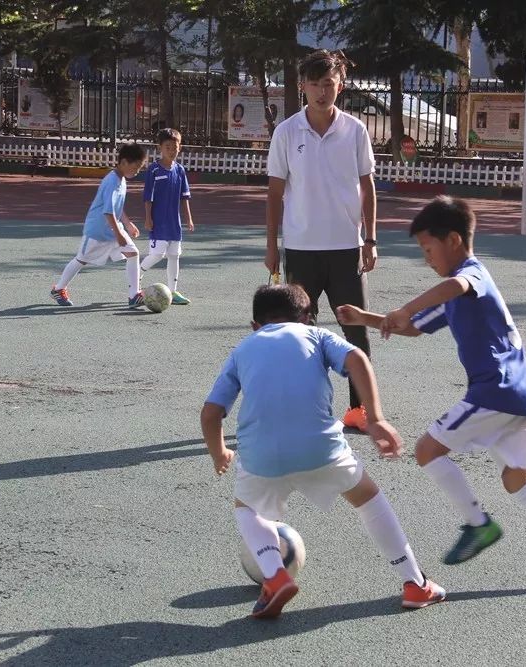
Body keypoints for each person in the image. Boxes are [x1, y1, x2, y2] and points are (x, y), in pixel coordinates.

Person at [336, 196, 526, 582]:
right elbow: (413, 327)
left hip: (493, 391)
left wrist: (405, 307)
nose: (426, 257)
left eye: (428, 248)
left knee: (426, 450)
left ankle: (478, 524)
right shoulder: (456, 296)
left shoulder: (471, 275)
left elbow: (452, 287)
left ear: (454, 241)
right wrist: (368, 318)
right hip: (519, 395)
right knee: (516, 480)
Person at [201, 284, 446, 619]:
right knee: (369, 501)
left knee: (248, 509)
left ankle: (274, 576)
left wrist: (219, 453)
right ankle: (415, 583)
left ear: (255, 326)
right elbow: (358, 358)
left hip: (261, 455)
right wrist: (375, 418)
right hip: (322, 449)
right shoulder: (316, 336)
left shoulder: (243, 349)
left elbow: (211, 412)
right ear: (307, 317)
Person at [265, 49, 378, 433]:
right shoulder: (286, 132)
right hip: (301, 249)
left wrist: (371, 238)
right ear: (302, 86)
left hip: (347, 248)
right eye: (314, 84)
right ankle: (302, 408)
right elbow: (275, 192)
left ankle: (359, 411)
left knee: (356, 331)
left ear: (340, 86)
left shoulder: (356, 130)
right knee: (299, 334)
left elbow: (368, 185)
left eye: (328, 84)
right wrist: (271, 246)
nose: (321, 91)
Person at [50, 143, 147, 309]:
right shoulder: (112, 181)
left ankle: (134, 295)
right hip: (97, 231)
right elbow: (108, 211)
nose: (137, 171)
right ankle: (58, 289)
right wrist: (119, 235)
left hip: (113, 228)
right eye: (136, 166)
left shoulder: (121, 179)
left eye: (140, 167)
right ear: (123, 162)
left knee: (133, 253)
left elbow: (117, 207)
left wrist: (127, 223)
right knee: (81, 259)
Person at [141, 128, 194, 305]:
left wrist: (188, 218)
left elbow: (184, 197)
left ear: (180, 147)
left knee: (174, 256)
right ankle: (137, 276)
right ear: (160, 148)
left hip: (174, 223)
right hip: (158, 222)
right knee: (157, 255)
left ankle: (173, 291)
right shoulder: (154, 170)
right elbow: (148, 197)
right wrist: (148, 218)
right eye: (168, 147)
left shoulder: (180, 170)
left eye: (175, 147)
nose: (172, 150)